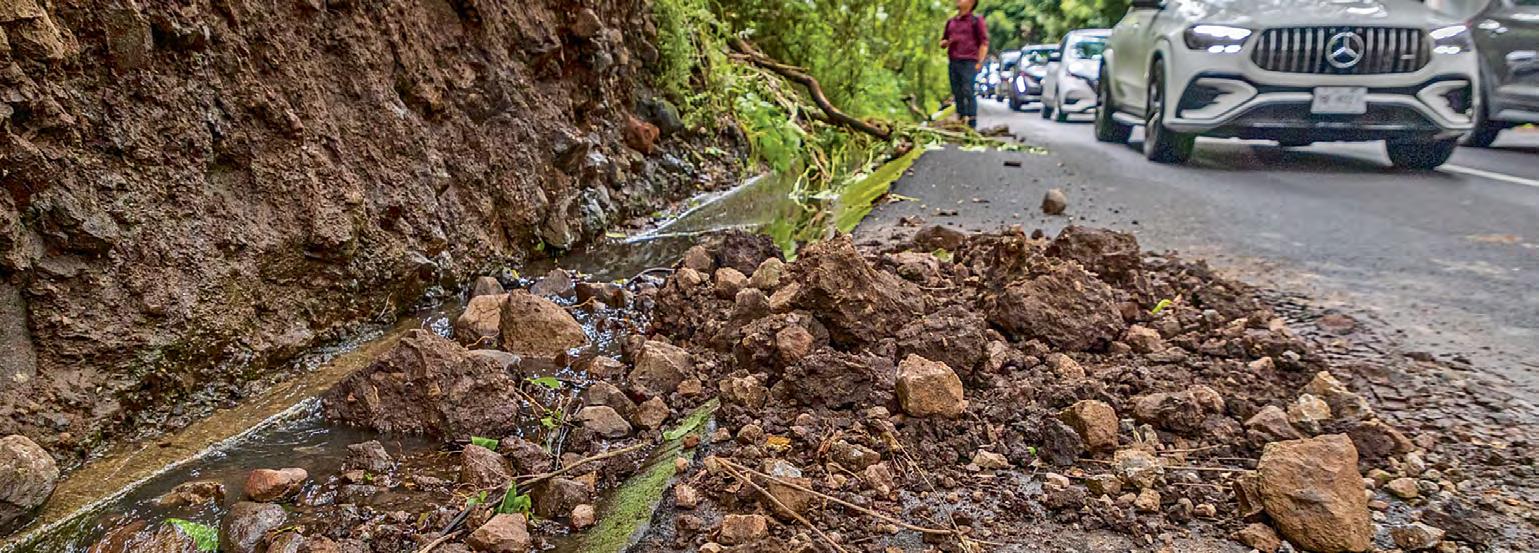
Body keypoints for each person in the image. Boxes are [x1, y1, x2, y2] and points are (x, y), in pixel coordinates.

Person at [941, 0, 988, 129]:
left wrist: (979, 62)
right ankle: (961, 119)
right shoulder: (951, 22)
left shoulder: (975, 21)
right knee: (957, 91)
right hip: (954, 60)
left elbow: (983, 42)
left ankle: (972, 121)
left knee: (968, 90)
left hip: (969, 61)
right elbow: (943, 41)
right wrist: (946, 43)